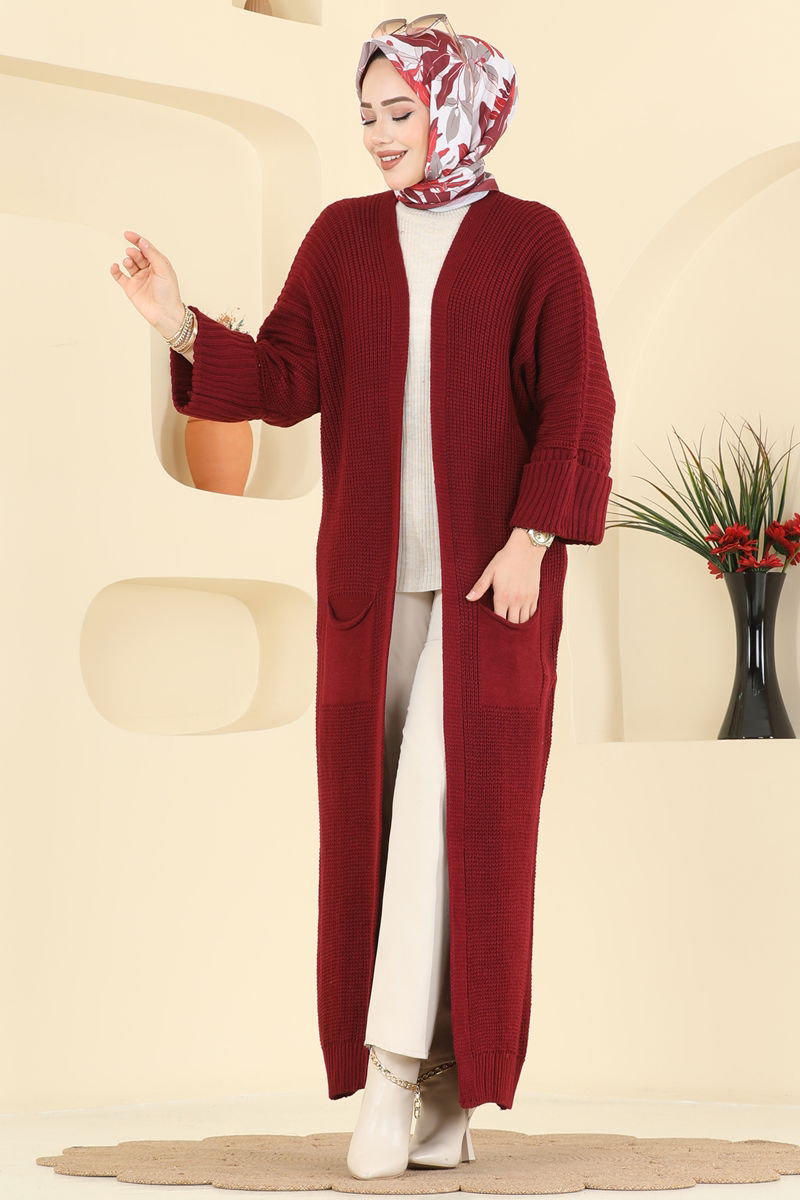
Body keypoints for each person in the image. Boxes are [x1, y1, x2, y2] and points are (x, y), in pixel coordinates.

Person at [110, 14, 616, 1183]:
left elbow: (577, 401)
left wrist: (532, 538)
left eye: (401, 111)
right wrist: (178, 321)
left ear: (460, 108)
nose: (380, 134)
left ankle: (393, 1078)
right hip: (368, 593)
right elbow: (286, 378)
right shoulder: (341, 238)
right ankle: (442, 1088)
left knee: (454, 810)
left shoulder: (531, 241)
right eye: (368, 116)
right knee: (379, 828)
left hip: (491, 592)